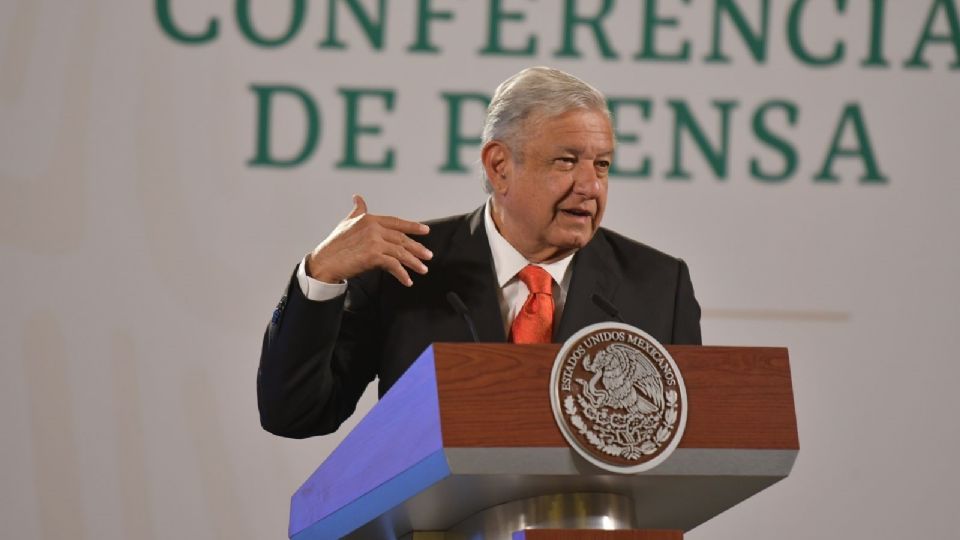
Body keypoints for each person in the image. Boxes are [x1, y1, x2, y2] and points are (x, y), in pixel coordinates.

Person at [257, 67, 701, 438]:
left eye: (601, 165)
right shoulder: (408, 268)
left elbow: (690, 447)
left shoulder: (660, 287)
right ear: (499, 166)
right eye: (566, 161)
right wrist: (320, 276)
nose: (590, 187)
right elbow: (295, 415)